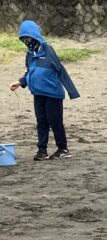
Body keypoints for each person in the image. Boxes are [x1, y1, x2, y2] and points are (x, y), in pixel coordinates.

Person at [7, 20, 80, 160]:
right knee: (41, 122)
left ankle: (63, 149)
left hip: (53, 94)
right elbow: (30, 72)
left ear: (34, 35)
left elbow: (60, 70)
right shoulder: (29, 54)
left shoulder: (48, 50)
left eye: (28, 37)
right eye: (24, 38)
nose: (27, 40)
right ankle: (42, 150)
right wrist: (20, 82)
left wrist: (72, 92)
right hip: (38, 93)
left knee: (55, 121)